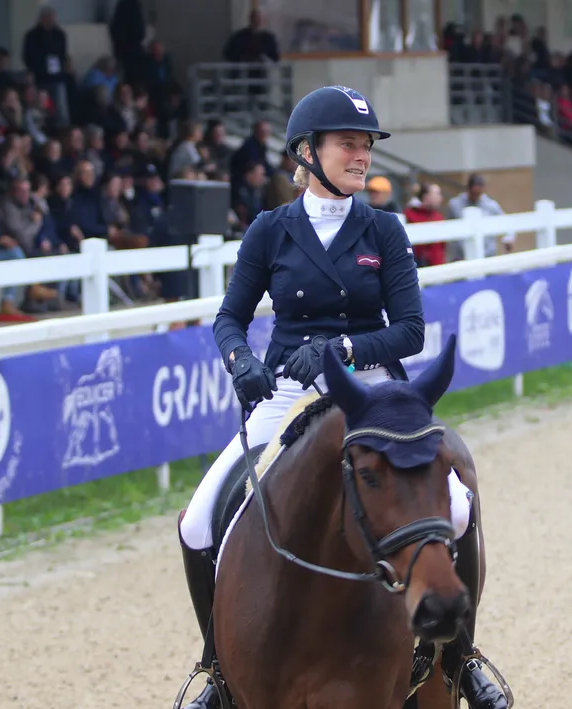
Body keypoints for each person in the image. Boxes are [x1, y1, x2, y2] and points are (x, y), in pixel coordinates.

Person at [175, 85, 509, 709]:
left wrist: (347, 352)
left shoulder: (383, 229)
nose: (362, 156)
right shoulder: (270, 230)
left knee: (458, 507)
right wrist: (241, 360)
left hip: (370, 389)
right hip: (288, 393)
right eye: (348, 144)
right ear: (307, 152)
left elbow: (409, 329)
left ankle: (459, 658)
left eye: (366, 146)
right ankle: (217, 671)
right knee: (197, 523)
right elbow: (229, 319)